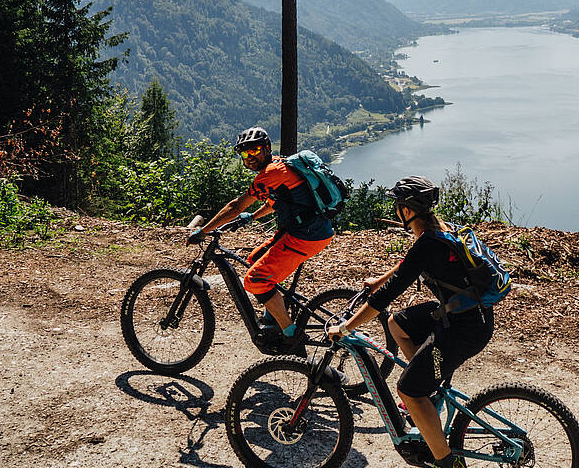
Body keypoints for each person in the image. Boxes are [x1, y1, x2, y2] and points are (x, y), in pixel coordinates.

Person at [327, 176, 494, 468]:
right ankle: (426, 391)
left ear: (406, 210)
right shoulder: (437, 230)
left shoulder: (428, 242)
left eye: (397, 205)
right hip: (465, 314)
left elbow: (388, 295)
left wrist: (347, 327)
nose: (395, 210)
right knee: (397, 325)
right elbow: (409, 263)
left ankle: (445, 462)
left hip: (465, 329)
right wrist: (379, 281)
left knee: (407, 390)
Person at [191, 127, 335, 350]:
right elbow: (276, 201)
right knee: (255, 258)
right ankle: (272, 317)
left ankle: (289, 333)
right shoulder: (278, 165)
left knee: (255, 280)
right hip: (304, 230)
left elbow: (236, 205)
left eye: (255, 150)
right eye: (245, 154)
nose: (250, 157)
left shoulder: (272, 173)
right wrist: (251, 217)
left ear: (267, 148)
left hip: (307, 235)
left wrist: (205, 230)